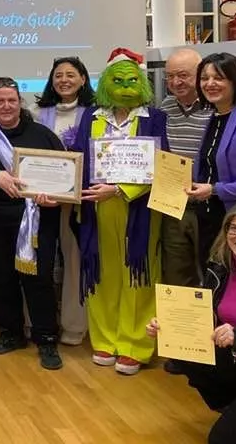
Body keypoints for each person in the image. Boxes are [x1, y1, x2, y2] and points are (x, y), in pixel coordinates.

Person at [71, 48, 169, 376]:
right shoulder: (92, 116)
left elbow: (162, 165)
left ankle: (134, 344)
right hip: (97, 206)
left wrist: (120, 190)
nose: (124, 86)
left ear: (141, 82)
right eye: (117, 79)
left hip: (138, 206)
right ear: (105, 83)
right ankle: (105, 339)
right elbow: (79, 157)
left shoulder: (154, 118)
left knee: (138, 272)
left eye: (130, 80)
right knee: (102, 271)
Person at [0, 77, 65, 371]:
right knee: (2, 279)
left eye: (11, 100)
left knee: (39, 280)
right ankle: (11, 333)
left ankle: (46, 338)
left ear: (20, 102)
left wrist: (55, 197)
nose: (6, 106)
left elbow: (66, 173)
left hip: (38, 223)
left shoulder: (42, 135)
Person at [146, 201, 236, 444]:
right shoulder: (220, 267)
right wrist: (168, 326)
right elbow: (202, 315)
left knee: (222, 440)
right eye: (234, 228)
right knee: (183, 351)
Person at [32, 56, 95, 347]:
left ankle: (74, 324)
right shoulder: (37, 112)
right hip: (41, 199)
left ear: (83, 79)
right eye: (58, 75)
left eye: (71, 74)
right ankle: (36, 321)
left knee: (75, 261)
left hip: (78, 200)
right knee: (38, 260)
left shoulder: (95, 114)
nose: (64, 80)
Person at [187, 52, 236, 274]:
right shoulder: (214, 116)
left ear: (235, 80)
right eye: (204, 78)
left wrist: (216, 189)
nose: (210, 84)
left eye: (218, 77)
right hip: (209, 220)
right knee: (213, 283)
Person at [159, 50, 211, 287]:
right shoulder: (165, 107)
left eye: (183, 75)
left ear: (200, 73)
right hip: (173, 204)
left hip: (208, 204)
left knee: (211, 270)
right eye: (170, 76)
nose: (175, 82)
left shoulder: (216, 106)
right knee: (176, 273)